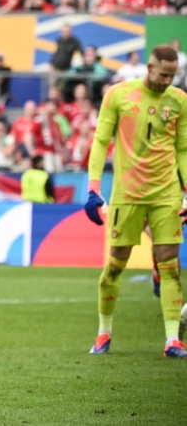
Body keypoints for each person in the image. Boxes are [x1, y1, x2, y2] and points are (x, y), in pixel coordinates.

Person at [84, 45, 187, 358]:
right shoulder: (118, 94)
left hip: (166, 193)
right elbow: (101, 140)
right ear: (150, 66)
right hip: (126, 194)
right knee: (114, 267)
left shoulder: (180, 101)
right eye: (163, 74)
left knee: (169, 266)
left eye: (173, 76)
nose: (167, 81)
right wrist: (92, 188)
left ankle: (173, 340)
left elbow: (183, 150)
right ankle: (104, 333)